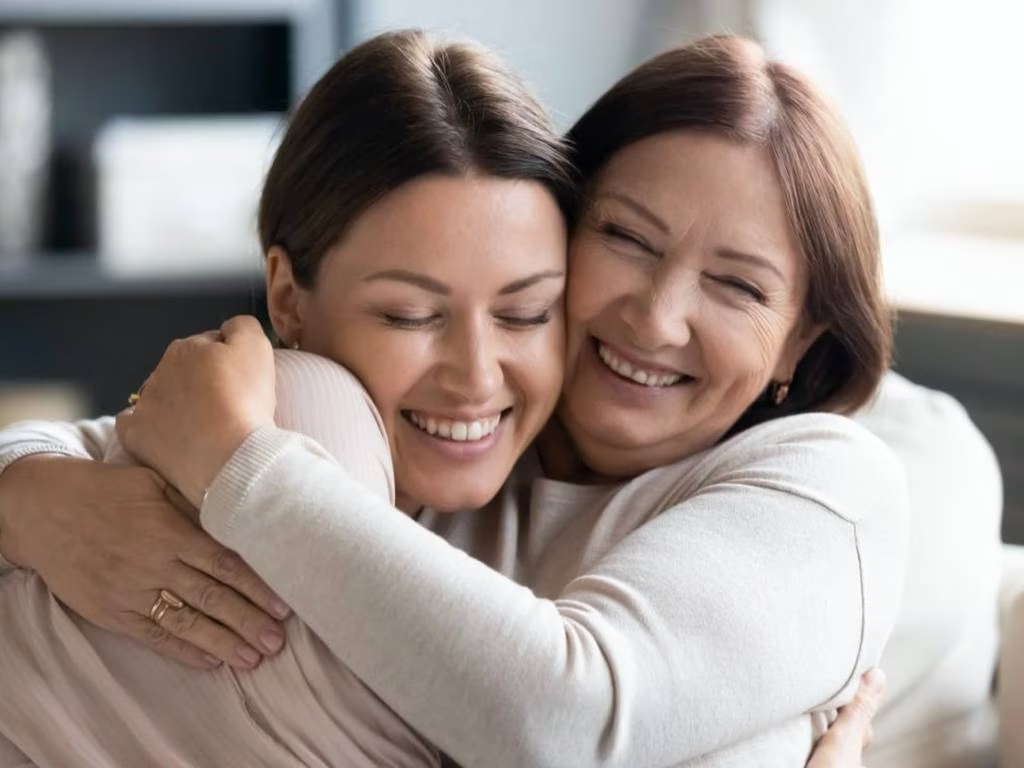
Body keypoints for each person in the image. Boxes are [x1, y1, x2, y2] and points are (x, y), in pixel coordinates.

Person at [0, 33, 905, 767]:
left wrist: (246, 467)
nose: (657, 317)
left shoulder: (822, 486)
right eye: (626, 236)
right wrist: (28, 496)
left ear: (806, 339)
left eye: (739, 287)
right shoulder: (413, 441)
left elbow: (564, 719)